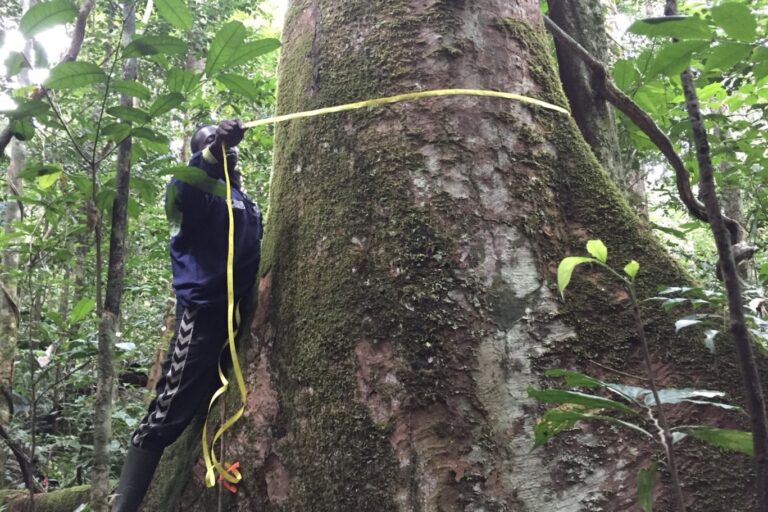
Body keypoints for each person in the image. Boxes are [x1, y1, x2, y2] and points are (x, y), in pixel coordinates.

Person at [111, 120, 263, 512]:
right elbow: (186, 191)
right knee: (165, 415)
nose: (224, 146)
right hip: (202, 315)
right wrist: (211, 153)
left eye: (225, 142)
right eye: (211, 142)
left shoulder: (245, 201)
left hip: (236, 320)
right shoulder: (191, 193)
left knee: (208, 404)